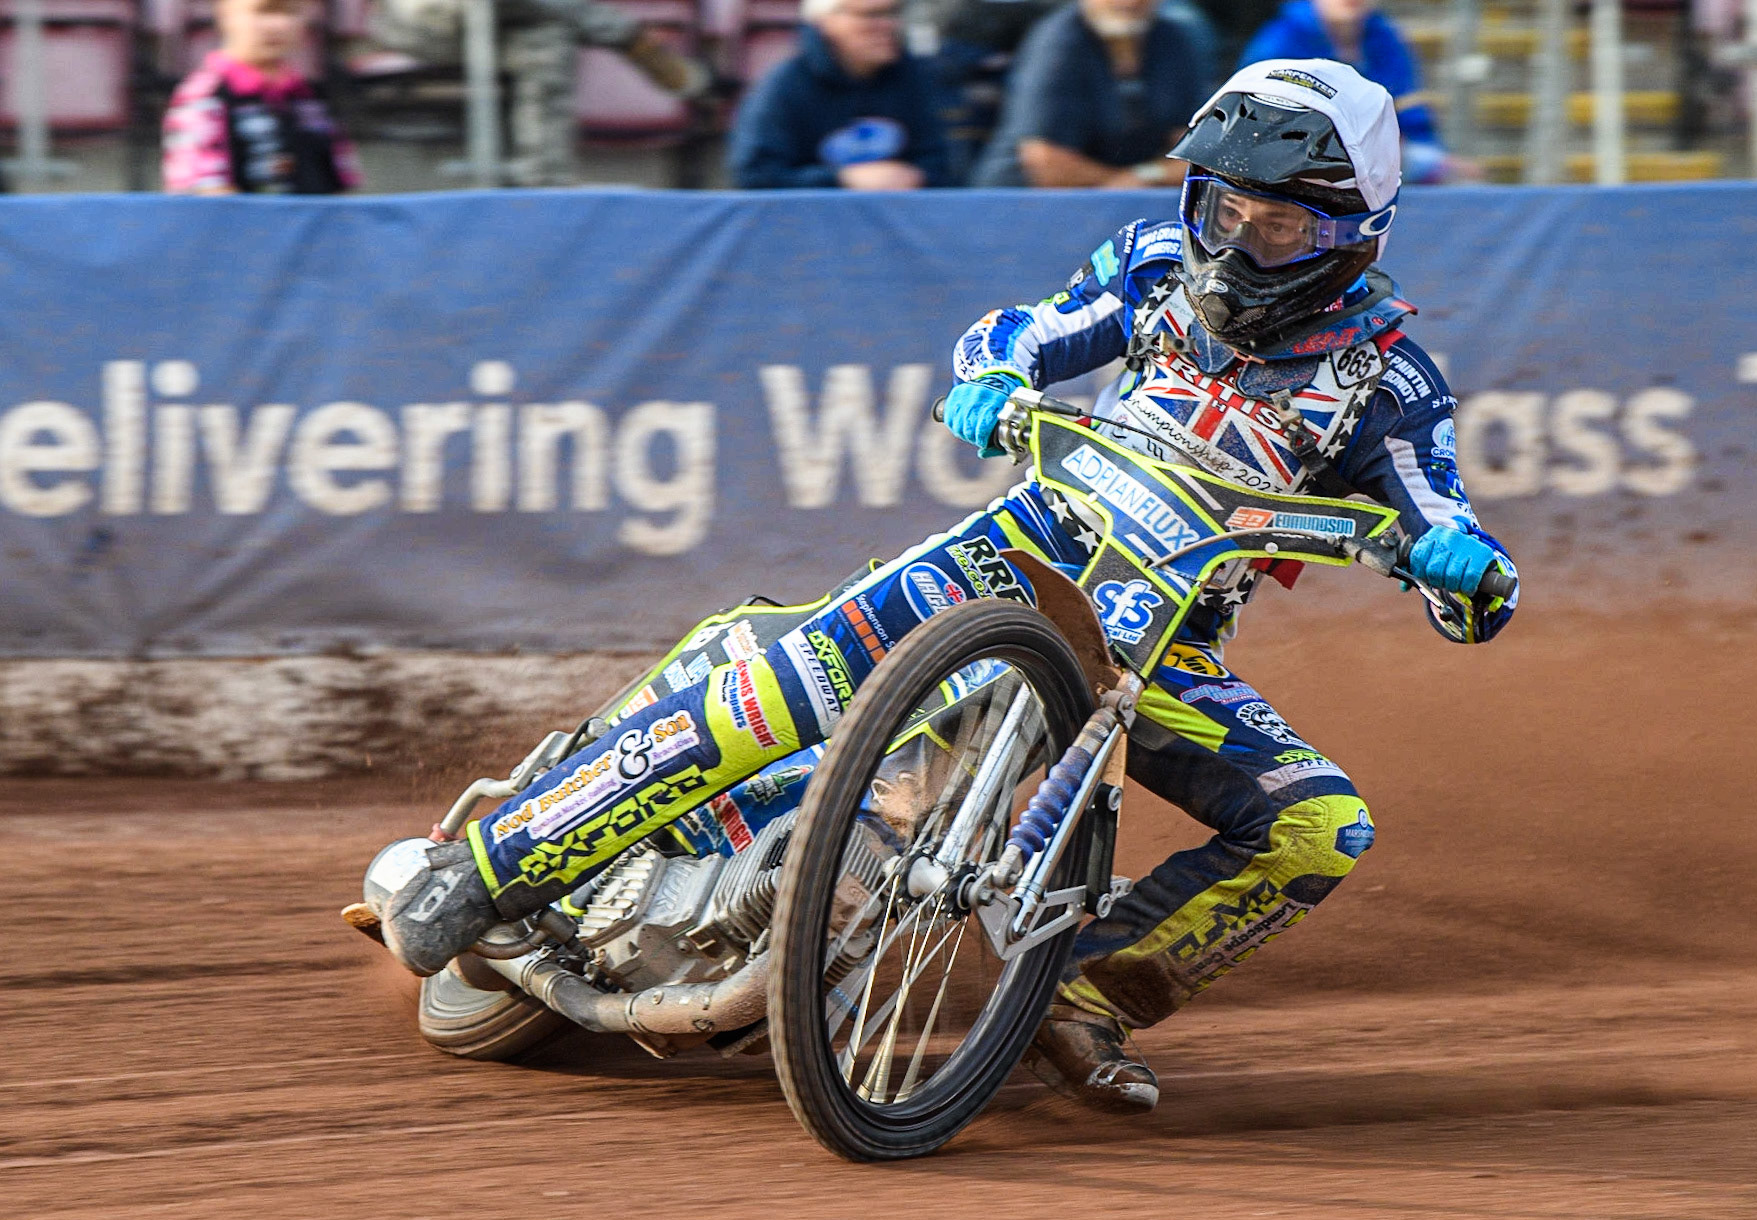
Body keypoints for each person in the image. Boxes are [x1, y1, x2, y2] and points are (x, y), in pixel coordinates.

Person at [375, 58, 1519, 1115]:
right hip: (1019, 546)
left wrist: (1465, 571)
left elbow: (1448, 540)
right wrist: (992, 376)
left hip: (1158, 644)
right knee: (791, 673)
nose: (1236, 247)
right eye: (1223, 211)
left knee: (1319, 825)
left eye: (1276, 228)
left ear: (1350, 235)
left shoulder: (1391, 383)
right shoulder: (1153, 263)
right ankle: (498, 863)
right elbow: (1022, 332)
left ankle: (1080, 994)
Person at [370, 0, 708, 187]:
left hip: (510, 22)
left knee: (549, 40)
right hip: (426, 21)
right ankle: (631, 40)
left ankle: (543, 181)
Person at [972, 0, 1211, 187]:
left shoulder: (1173, 41)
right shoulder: (1059, 43)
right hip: (1023, 207)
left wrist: (1143, 176)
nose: (1131, 2)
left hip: (1128, 203)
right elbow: (1045, 162)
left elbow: (1196, 152)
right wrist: (1129, 182)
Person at [728, 0, 952, 190]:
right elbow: (754, 174)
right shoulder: (784, 87)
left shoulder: (912, 79)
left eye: (893, 13)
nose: (888, 25)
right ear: (827, 22)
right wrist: (842, 179)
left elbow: (942, 164)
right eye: (871, 15)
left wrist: (915, 177)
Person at [1239, 0, 1451, 183]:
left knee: (1442, 167)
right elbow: (1259, 127)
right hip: (1295, 162)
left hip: (1381, 157)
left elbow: (1413, 115)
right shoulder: (1277, 43)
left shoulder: (1386, 38)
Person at [163, 0, 362, 194]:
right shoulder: (204, 94)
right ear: (225, 14)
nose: (277, 24)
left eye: (290, 11)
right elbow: (202, 198)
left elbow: (340, 191)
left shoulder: (311, 96)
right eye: (262, 10)